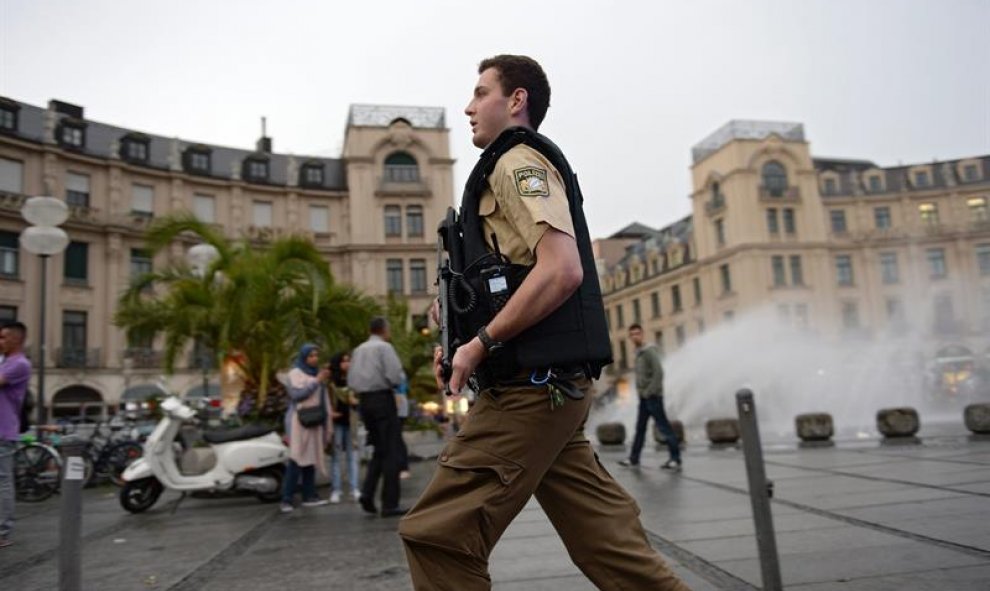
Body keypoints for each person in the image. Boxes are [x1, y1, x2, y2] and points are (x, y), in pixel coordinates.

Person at [398, 55, 690, 590]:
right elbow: (513, 276)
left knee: (439, 535)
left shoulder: (519, 163)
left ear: (516, 100)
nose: (468, 106)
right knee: (608, 545)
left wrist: (479, 344)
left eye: (481, 92)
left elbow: (562, 269)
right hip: (548, 388)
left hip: (531, 390)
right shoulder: (501, 170)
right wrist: (457, 317)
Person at [347, 317, 408, 517]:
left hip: (365, 402)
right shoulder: (384, 348)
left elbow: (352, 379)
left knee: (378, 450)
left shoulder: (358, 350)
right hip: (383, 398)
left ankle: (367, 493)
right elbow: (394, 374)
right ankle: (390, 503)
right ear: (384, 329)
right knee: (391, 450)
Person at [619, 324, 682, 471]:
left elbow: (658, 372)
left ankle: (675, 458)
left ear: (642, 334)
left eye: (637, 333)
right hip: (644, 398)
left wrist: (649, 391)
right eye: (632, 334)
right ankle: (634, 458)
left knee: (664, 427)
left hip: (653, 397)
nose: (635, 336)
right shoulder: (639, 353)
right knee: (640, 428)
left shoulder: (649, 352)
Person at [280, 343, 332, 513]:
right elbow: (297, 395)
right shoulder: (295, 374)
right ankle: (286, 499)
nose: (314, 359)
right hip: (299, 422)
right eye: (310, 356)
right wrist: (316, 381)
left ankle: (309, 496)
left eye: (316, 355)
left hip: (314, 421)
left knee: (310, 459)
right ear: (303, 357)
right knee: (296, 459)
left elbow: (323, 399)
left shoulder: (317, 374)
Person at [0, 322, 32, 549]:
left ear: (15, 340)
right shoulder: (5, 362)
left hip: (2, 430)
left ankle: (2, 530)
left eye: (2, 338)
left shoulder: (19, 364)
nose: (0, 342)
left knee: (3, 483)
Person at [328, 351, 360, 504]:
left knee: (352, 456)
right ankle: (336, 490)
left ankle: (354, 488)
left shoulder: (354, 379)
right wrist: (329, 413)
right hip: (336, 423)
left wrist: (356, 402)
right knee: (336, 457)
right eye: (343, 361)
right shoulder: (330, 382)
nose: (347, 364)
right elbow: (325, 400)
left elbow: (359, 397)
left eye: (348, 360)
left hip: (351, 421)